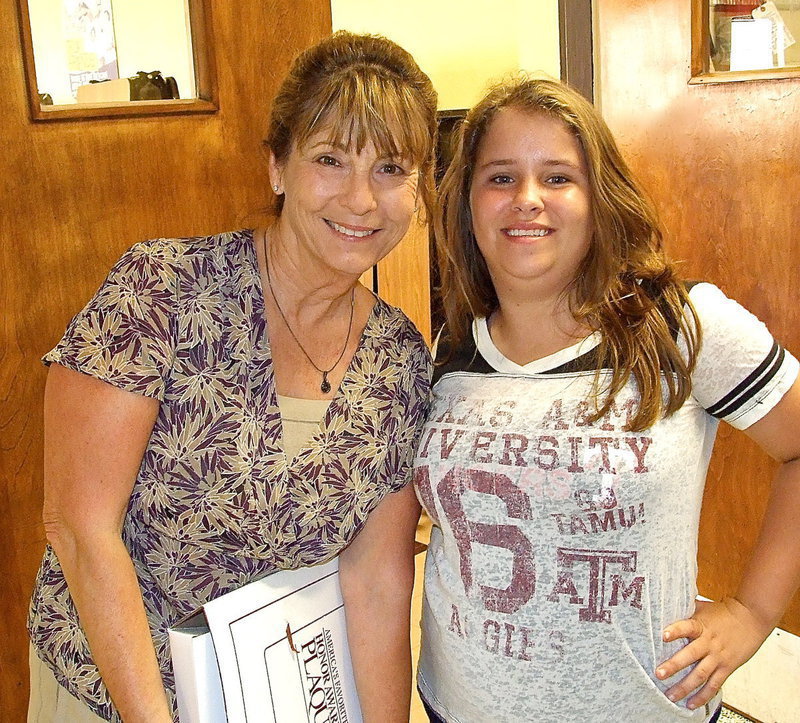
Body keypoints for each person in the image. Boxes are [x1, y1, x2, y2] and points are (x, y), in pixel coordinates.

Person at [27, 31, 437, 722]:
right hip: (113, 692)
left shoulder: (398, 359)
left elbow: (377, 579)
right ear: (277, 166)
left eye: (392, 168)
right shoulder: (162, 290)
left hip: (268, 696)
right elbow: (78, 525)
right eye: (330, 159)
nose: (362, 199)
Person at [414, 76, 800, 722]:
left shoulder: (680, 324)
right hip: (457, 703)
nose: (527, 200)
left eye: (559, 177)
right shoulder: (452, 346)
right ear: (469, 202)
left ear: (599, 197)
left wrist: (753, 611)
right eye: (501, 177)